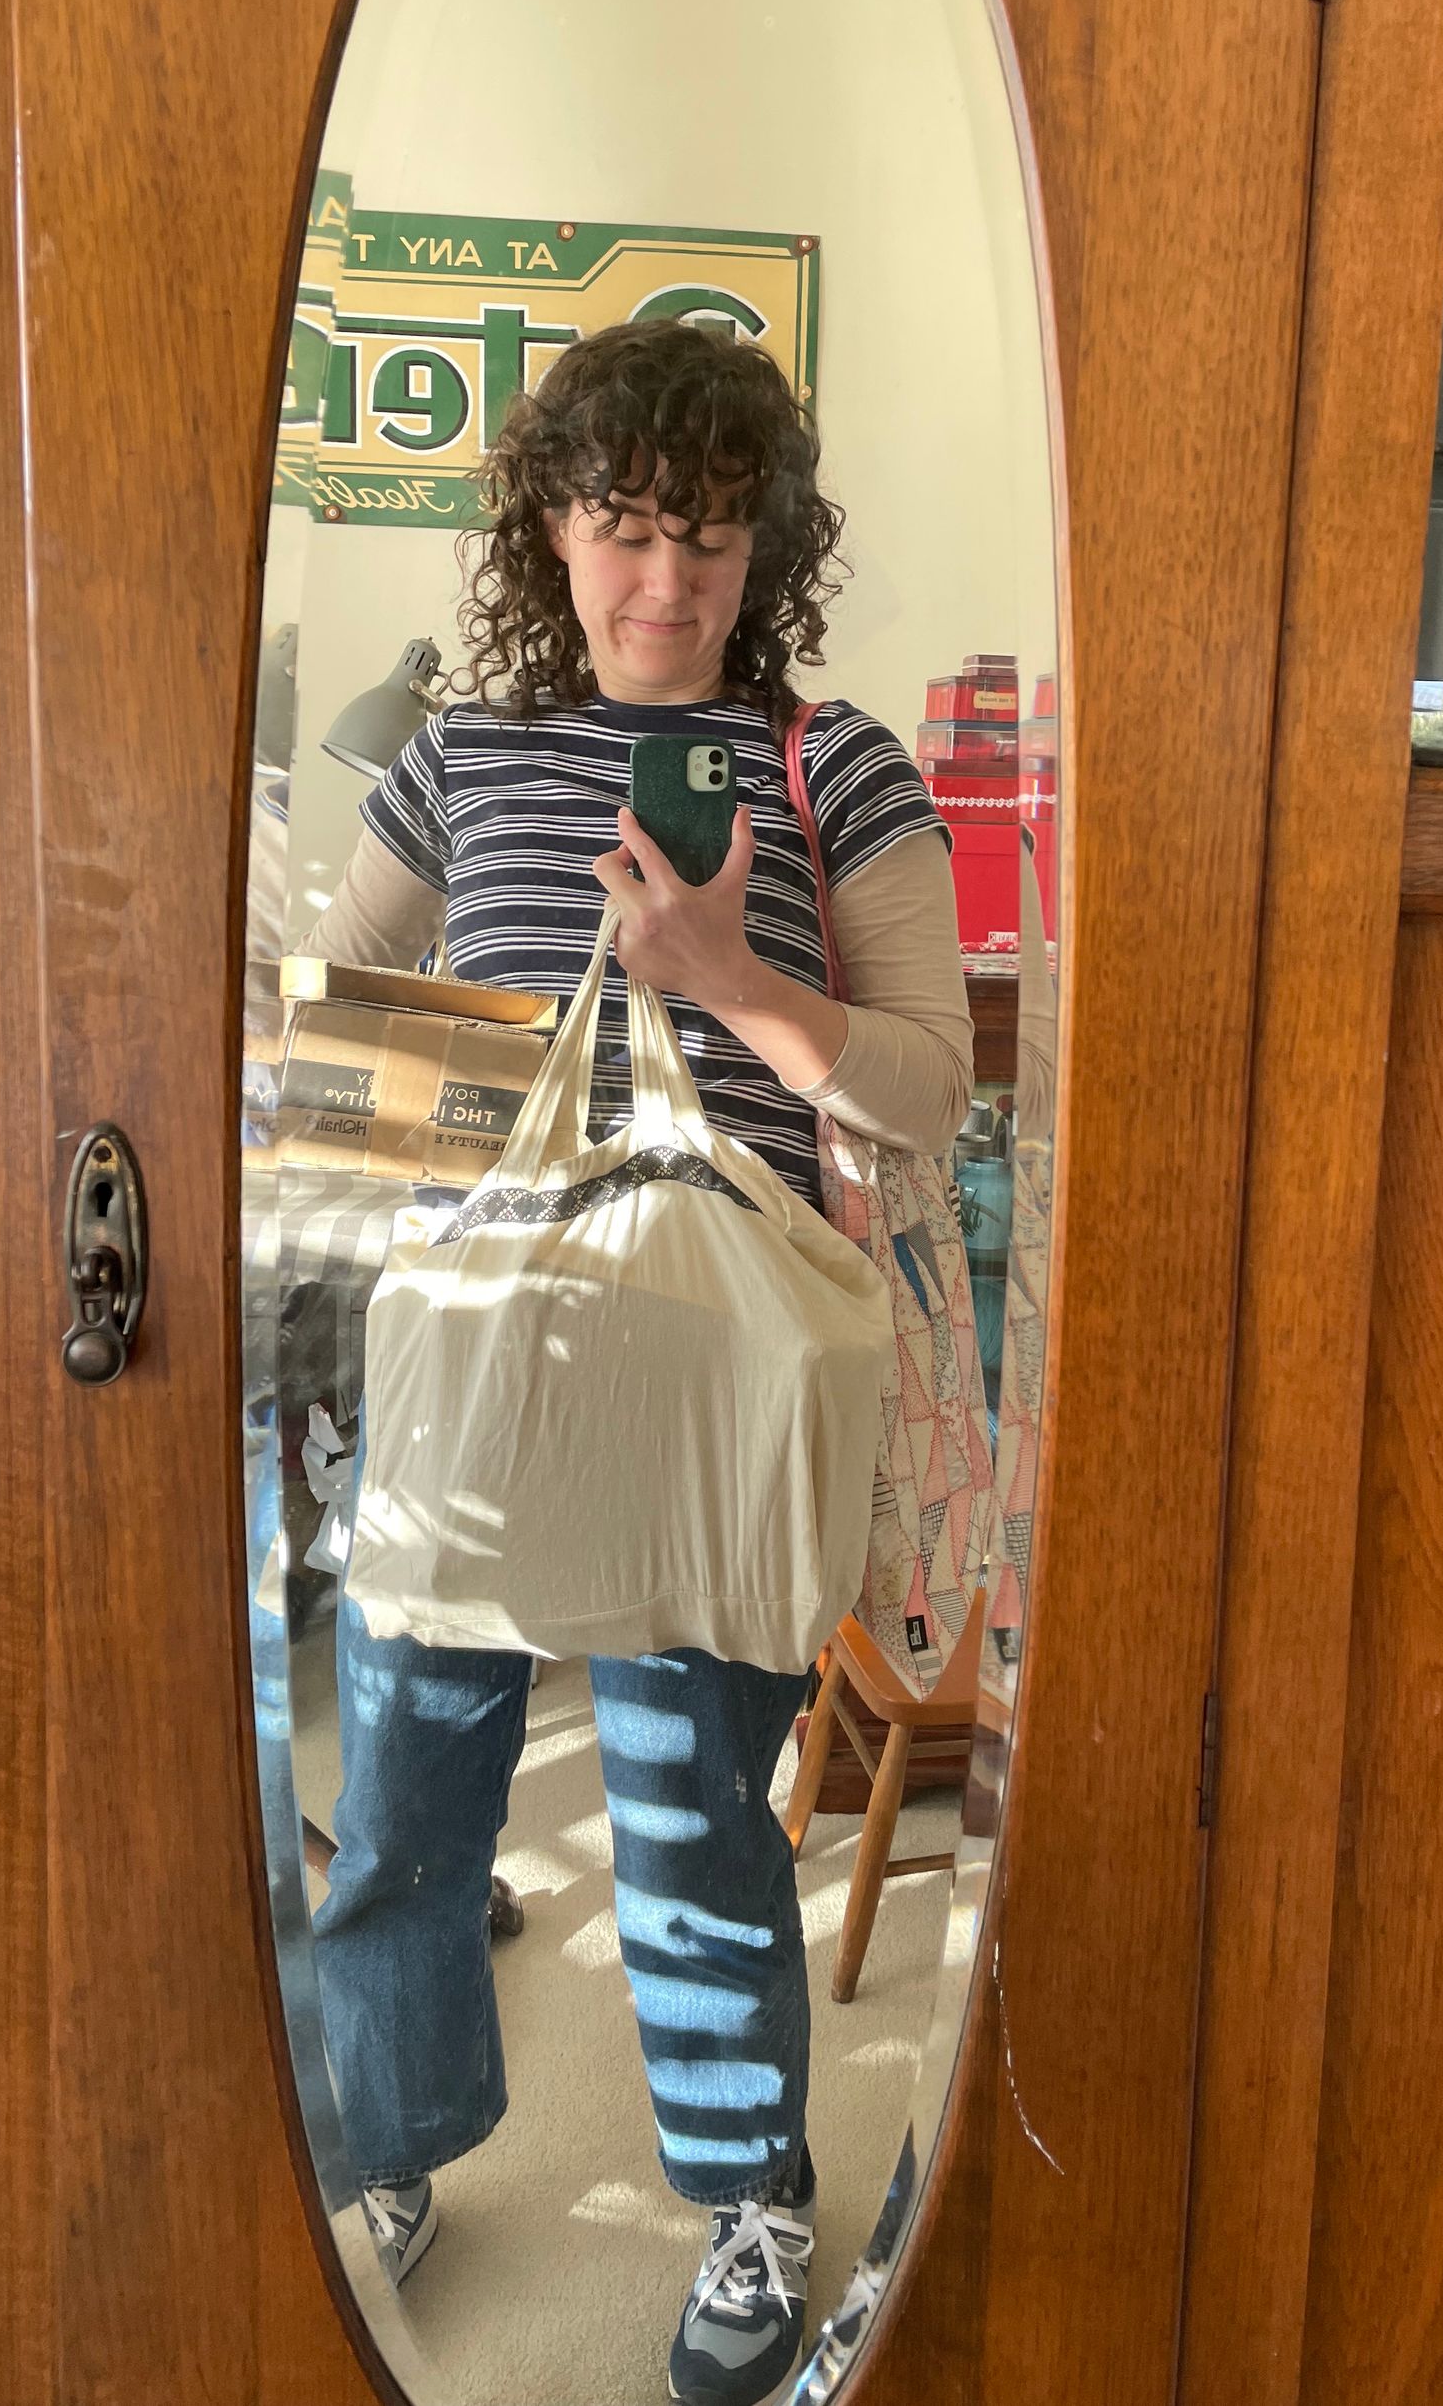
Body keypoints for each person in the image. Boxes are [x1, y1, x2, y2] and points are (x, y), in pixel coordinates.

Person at [301, 317, 972, 2406]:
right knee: (406, 1796)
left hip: (715, 1370)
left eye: (710, 534)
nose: (666, 580)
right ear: (552, 530)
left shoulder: (832, 764)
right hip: (481, 1357)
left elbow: (928, 1088)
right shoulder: (460, 756)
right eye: (623, 527)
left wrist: (721, 976)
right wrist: (488, 1096)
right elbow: (333, 1031)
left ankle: (749, 2184)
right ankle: (393, 2131)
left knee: (692, 1821)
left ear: (767, 547)